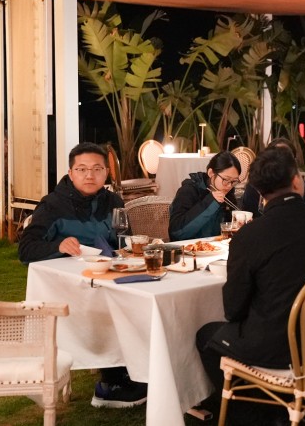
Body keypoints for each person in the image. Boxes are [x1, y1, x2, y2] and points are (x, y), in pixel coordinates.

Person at [195, 147, 305, 401]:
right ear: (296, 181)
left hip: (278, 351)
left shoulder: (249, 236)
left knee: (207, 335)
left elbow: (233, 311)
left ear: (259, 191)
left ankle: (257, 409)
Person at [18, 142, 147, 408]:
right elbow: (26, 249)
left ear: (106, 173)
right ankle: (114, 380)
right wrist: (58, 246)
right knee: (118, 308)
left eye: (97, 169)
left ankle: (136, 367)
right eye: (82, 169)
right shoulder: (53, 205)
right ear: (71, 172)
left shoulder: (113, 201)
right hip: (70, 290)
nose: (90, 175)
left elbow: (123, 239)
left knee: (143, 300)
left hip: (110, 278)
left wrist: (130, 247)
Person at [169, 151, 240, 241]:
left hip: (218, 247)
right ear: (211, 173)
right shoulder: (189, 190)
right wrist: (211, 202)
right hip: (190, 247)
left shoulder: (228, 194)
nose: (229, 186)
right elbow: (176, 233)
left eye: (234, 181)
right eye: (226, 179)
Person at [240, 137, 305, 217]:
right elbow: (248, 214)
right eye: (276, 156)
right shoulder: (255, 186)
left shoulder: (301, 186)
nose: (281, 161)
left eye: (286, 157)